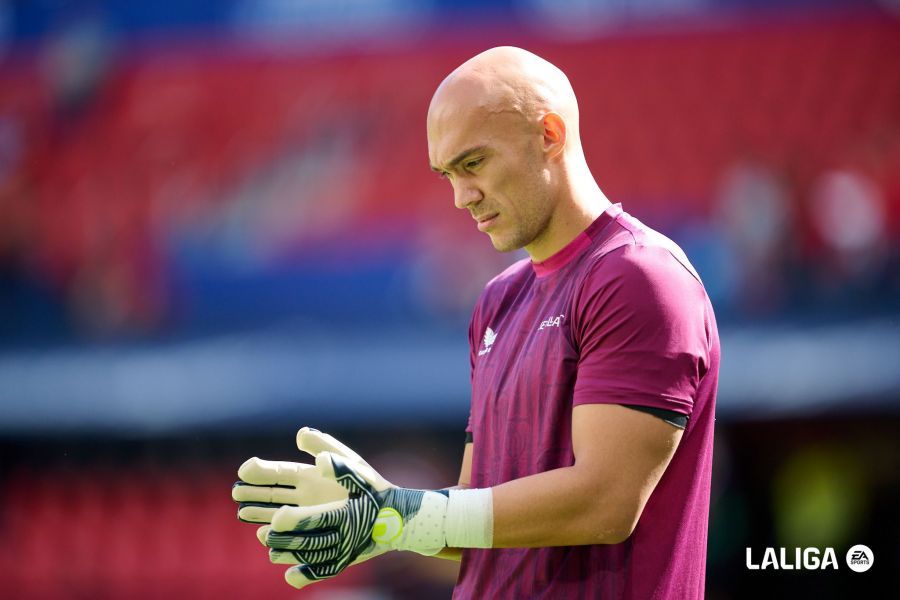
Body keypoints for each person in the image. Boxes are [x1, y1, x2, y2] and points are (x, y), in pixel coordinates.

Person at [232, 46, 719, 599]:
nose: (461, 197)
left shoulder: (637, 278)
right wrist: (380, 522)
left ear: (550, 136)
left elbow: (605, 501)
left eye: (474, 163)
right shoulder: (498, 300)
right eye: (446, 174)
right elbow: (476, 514)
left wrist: (404, 513)